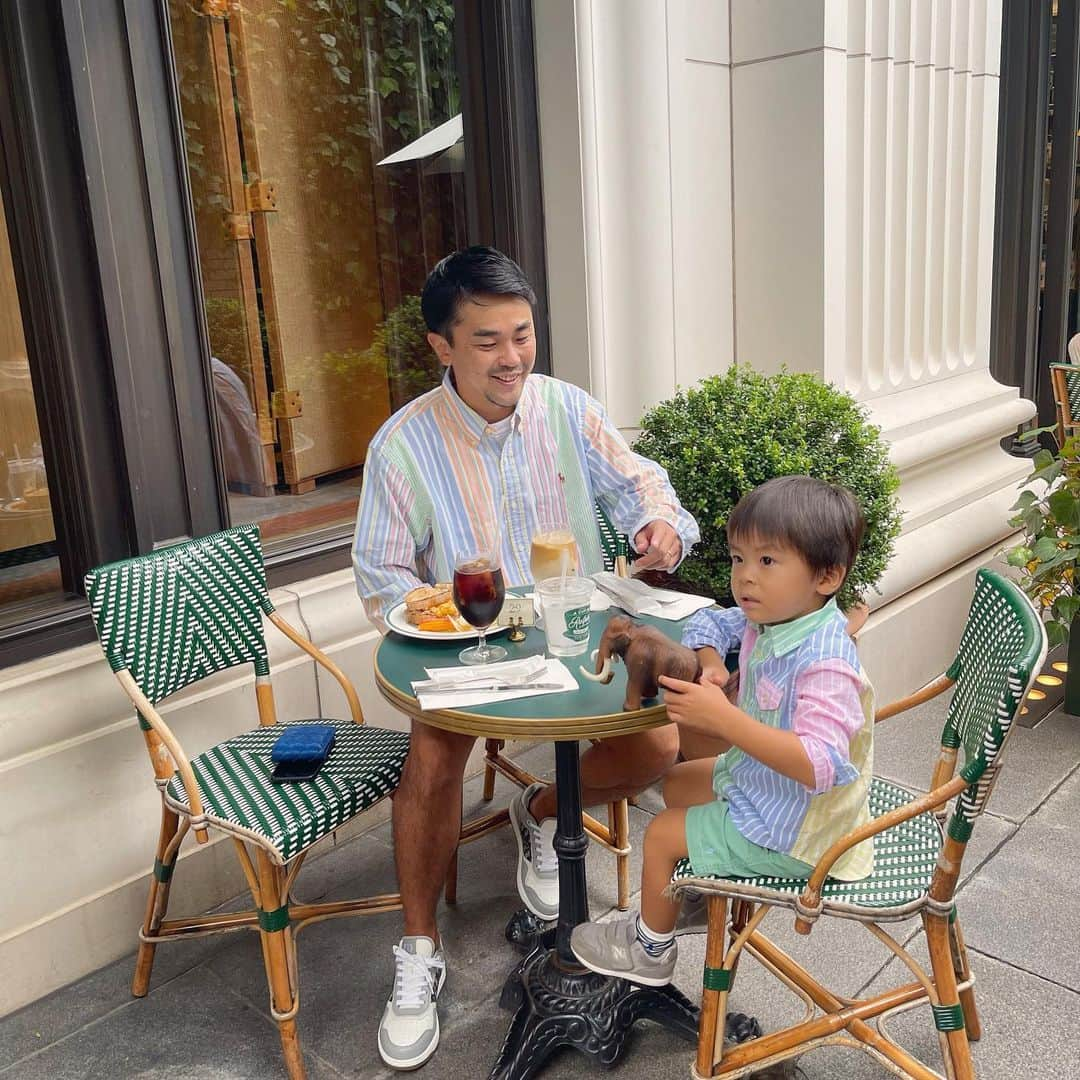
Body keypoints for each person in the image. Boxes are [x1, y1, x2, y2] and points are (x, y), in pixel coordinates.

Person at [352, 246, 700, 1070]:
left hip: (582, 639)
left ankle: (540, 816)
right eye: (486, 342)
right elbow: (382, 580)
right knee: (431, 758)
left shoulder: (567, 410)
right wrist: (439, 612)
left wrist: (659, 528)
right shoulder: (401, 446)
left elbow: (644, 485)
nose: (512, 358)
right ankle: (418, 951)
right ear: (441, 346)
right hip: (470, 646)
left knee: (657, 744)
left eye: (522, 335)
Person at [570, 475, 874, 986]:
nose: (745, 578)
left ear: (827, 576)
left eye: (767, 561)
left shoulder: (825, 662)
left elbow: (820, 764)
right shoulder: (773, 617)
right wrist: (711, 665)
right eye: (738, 559)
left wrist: (724, 720)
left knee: (663, 834)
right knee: (677, 783)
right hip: (768, 788)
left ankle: (650, 953)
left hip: (799, 833)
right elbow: (709, 624)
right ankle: (689, 899)